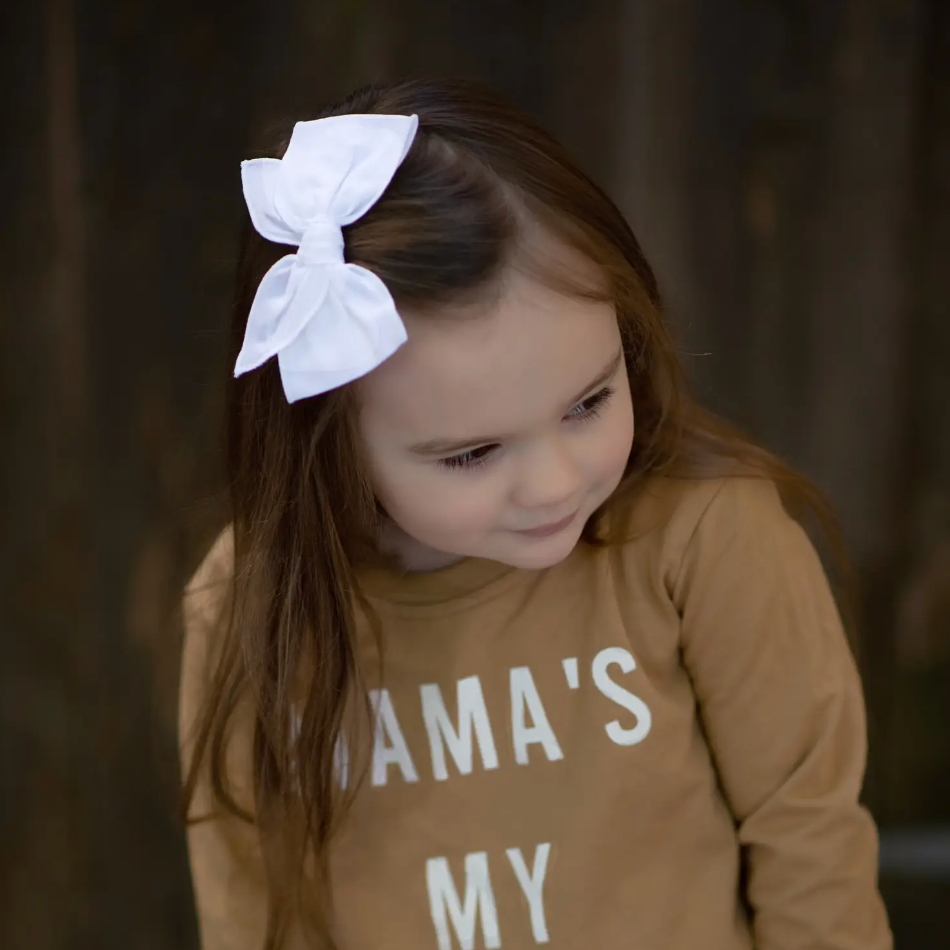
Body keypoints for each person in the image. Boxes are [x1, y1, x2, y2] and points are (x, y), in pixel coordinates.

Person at [179, 78, 892, 950]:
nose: (556, 482)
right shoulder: (250, 608)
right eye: (473, 454)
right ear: (328, 439)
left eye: (589, 401)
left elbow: (811, 845)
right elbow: (250, 909)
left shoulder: (704, 539)